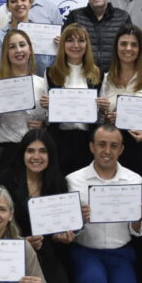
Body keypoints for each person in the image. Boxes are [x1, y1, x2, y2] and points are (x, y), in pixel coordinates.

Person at [67, 123, 142, 283]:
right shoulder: (73, 181)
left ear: (121, 150)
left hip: (120, 252)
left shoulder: (134, 180)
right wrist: (78, 220)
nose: (107, 151)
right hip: (86, 250)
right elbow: (67, 229)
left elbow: (137, 232)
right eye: (102, 145)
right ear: (92, 147)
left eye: (113, 146)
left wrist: (138, 217)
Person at [0, 129, 74, 283]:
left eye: (43, 151)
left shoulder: (58, 183)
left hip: (44, 247)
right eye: (30, 151)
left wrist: (59, 236)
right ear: (22, 153)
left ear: (51, 155)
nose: (36, 156)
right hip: (12, 245)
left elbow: (58, 226)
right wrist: (21, 241)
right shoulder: (8, 178)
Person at [0, 30, 48, 181]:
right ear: (6, 53)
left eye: (22, 45)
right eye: (12, 47)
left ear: (30, 49)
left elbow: (48, 120)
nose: (18, 50)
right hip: (3, 151)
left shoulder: (42, 84)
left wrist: (44, 125)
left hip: (34, 151)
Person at [97, 24, 142, 179]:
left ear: (141, 48)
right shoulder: (107, 78)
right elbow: (102, 118)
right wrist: (106, 117)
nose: (128, 48)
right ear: (116, 47)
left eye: (134, 44)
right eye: (123, 44)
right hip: (113, 149)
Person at [45, 23, 101, 176]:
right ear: (62, 44)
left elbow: (100, 114)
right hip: (59, 139)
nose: (76, 45)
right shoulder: (51, 72)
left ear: (87, 44)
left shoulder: (97, 73)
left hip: (87, 140)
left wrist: (103, 107)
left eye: (81, 40)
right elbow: (45, 117)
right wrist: (48, 106)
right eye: (70, 40)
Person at [63, 0, 131, 72]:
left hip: (114, 77)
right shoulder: (74, 17)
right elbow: (65, 48)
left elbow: (129, 48)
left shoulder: (122, 17)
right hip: (83, 76)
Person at [0, 0, 55, 81]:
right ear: (8, 7)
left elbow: (52, 69)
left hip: (40, 89)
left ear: (30, 3)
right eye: (13, 1)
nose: (19, 4)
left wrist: (58, 49)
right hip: (10, 91)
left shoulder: (44, 34)